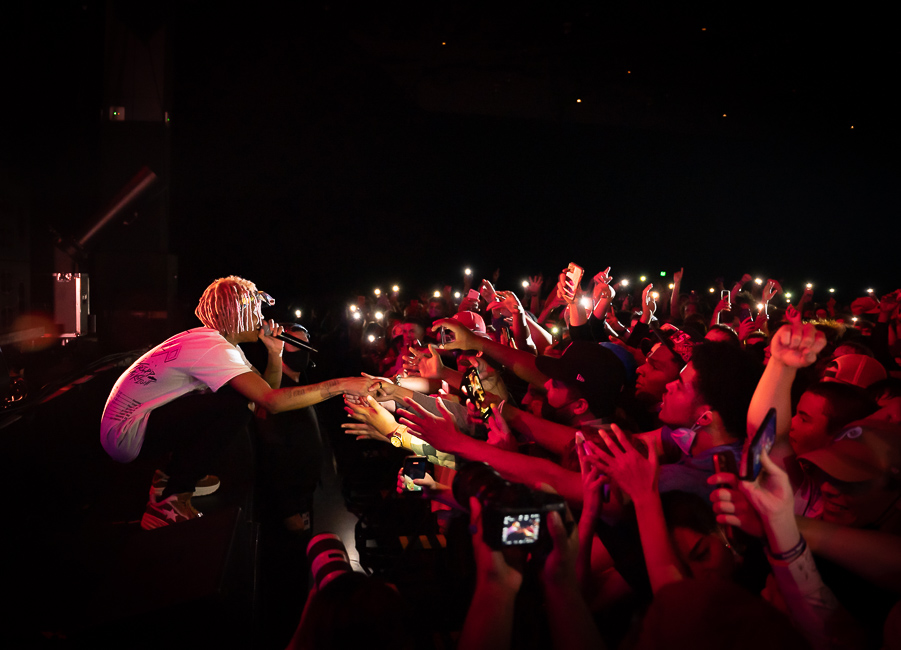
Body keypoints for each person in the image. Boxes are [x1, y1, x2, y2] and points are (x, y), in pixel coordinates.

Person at [100, 275, 377, 529]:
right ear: (237, 315)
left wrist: (273, 352)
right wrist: (340, 384)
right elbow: (271, 402)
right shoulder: (213, 348)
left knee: (242, 399)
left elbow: (264, 392)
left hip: (137, 425)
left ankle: (170, 478)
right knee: (235, 405)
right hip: (127, 434)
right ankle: (170, 499)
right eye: (255, 312)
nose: (261, 318)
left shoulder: (220, 344)